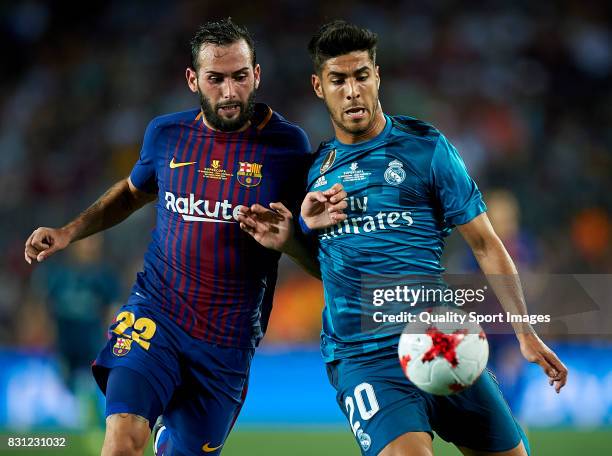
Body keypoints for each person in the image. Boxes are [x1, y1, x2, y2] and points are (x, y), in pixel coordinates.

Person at [237, 20, 568, 456]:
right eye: (339, 80)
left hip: (441, 336)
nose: (352, 90)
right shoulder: (313, 173)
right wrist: (292, 240)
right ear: (319, 86)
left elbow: (487, 244)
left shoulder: (426, 149)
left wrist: (525, 333)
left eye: (360, 76)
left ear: (377, 77)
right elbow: (331, 269)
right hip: (365, 356)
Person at [24, 18, 345, 456]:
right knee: (120, 441)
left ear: (257, 75)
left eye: (239, 77)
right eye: (216, 79)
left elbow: (315, 260)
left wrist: (290, 240)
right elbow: (132, 193)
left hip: (226, 344)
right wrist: (68, 233)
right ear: (194, 79)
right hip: (156, 314)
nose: (229, 92)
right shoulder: (166, 135)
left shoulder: (288, 147)